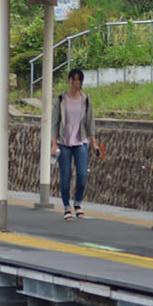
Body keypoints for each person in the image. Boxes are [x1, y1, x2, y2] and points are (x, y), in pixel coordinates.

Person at [51, 68, 97, 220]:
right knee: (66, 176)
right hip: (64, 143)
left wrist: (95, 143)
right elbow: (55, 123)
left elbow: (90, 123)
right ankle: (66, 207)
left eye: (79, 80)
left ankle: (77, 203)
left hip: (81, 141)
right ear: (69, 81)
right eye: (74, 79)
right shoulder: (60, 100)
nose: (77, 83)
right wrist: (54, 145)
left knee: (83, 175)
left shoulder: (86, 100)